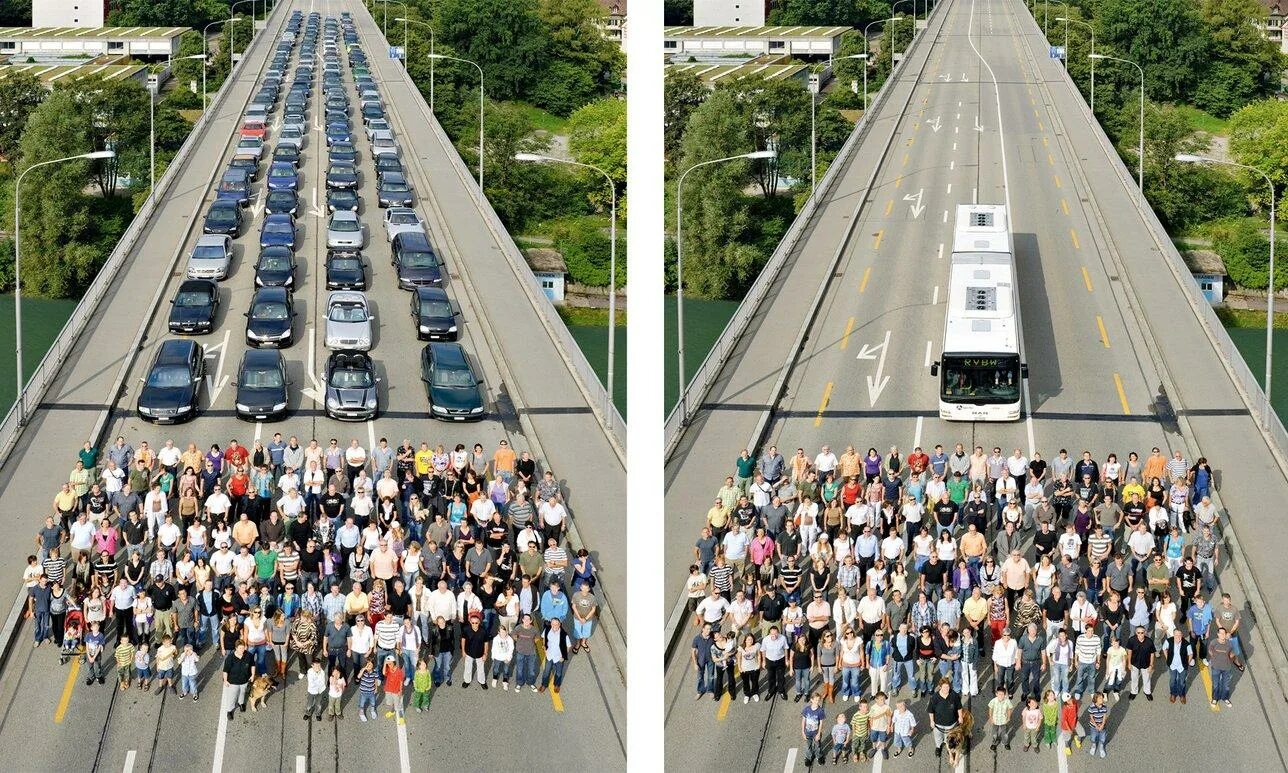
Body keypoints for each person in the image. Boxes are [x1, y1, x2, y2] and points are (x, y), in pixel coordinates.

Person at [927, 677, 963, 758]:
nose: (947, 689)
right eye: (944, 687)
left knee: (950, 738)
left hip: (951, 724)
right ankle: (938, 747)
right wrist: (932, 721)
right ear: (940, 687)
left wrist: (960, 717)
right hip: (938, 724)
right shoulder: (934, 697)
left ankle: (949, 747)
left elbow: (959, 707)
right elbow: (931, 710)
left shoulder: (954, 695)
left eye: (948, 687)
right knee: (938, 737)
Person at [1209, 626, 1243, 708]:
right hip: (1216, 667)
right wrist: (1214, 657)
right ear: (1218, 634)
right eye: (1220, 633)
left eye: (1223, 633)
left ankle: (1225, 698)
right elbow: (1210, 650)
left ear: (1225, 634)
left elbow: (1233, 652)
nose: (1222, 635)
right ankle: (1214, 698)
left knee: (1226, 685)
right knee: (1215, 684)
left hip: (1226, 667)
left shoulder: (1230, 644)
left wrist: (1230, 657)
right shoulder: (1214, 642)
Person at [221, 641, 254, 720]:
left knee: (242, 693)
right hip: (233, 682)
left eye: (243, 648)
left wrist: (252, 675)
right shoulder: (230, 658)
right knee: (232, 696)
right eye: (240, 648)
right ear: (236, 648)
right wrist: (225, 680)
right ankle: (229, 710)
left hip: (245, 680)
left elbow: (253, 665)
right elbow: (225, 670)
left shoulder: (249, 655)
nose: (242, 650)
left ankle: (241, 703)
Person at [1163, 628, 1195, 704]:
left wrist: (1187, 663)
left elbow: (1190, 654)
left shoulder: (1186, 644)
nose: (1178, 637)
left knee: (1182, 682)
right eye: (1176, 635)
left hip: (1182, 667)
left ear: (1182, 635)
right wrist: (1167, 658)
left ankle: (1182, 695)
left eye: (1180, 635)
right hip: (1172, 665)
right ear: (1173, 635)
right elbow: (1164, 649)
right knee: (1172, 681)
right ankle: (1173, 694)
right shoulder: (1168, 641)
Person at [801, 693, 827, 767]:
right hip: (807, 732)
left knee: (818, 745)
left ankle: (819, 756)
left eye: (818, 700)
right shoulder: (807, 709)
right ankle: (808, 757)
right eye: (815, 700)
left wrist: (819, 733)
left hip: (816, 733)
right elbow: (803, 721)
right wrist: (803, 731)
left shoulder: (820, 711)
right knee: (808, 746)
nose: (817, 701)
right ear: (811, 700)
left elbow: (821, 723)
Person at [988, 686, 1014, 751]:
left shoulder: (1007, 701)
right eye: (999, 694)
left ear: (1005, 695)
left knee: (1004, 733)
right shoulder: (993, 701)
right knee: (994, 733)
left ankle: (1005, 743)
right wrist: (991, 718)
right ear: (996, 694)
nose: (1001, 696)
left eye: (1002, 694)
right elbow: (990, 709)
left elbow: (1010, 709)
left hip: (1003, 720)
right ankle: (994, 743)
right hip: (995, 720)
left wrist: (1008, 717)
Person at [1085, 692, 1109, 758]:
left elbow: (1104, 716)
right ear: (1096, 699)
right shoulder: (1091, 707)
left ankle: (1101, 747)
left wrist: (1102, 725)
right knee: (1093, 737)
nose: (1102, 699)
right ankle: (1094, 745)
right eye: (1100, 698)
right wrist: (1096, 725)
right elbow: (1091, 717)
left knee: (1103, 737)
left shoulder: (1104, 706)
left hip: (1102, 725)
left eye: (1102, 698)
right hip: (1093, 726)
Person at [382, 656, 405, 724]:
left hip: (396, 691)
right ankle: (392, 711)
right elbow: (383, 673)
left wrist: (400, 690)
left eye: (390, 664)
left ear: (394, 663)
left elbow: (401, 681)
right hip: (388, 690)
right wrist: (385, 664)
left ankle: (401, 717)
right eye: (388, 664)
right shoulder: (388, 669)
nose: (389, 665)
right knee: (390, 703)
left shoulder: (399, 671)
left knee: (398, 705)